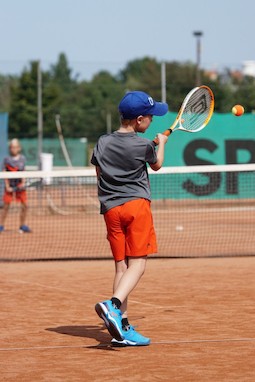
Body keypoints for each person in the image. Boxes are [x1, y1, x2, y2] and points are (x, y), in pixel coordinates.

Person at [91, 91, 168, 346]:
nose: (153, 120)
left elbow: (100, 173)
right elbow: (155, 165)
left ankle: (122, 328)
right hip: (136, 207)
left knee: (121, 267)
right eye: (150, 116)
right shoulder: (144, 145)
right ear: (138, 120)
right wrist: (162, 144)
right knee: (138, 265)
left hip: (111, 210)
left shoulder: (102, 142)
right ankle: (112, 305)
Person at [0, 139, 31, 233]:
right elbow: (4, 173)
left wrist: (23, 183)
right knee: (5, 207)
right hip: (9, 187)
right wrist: (7, 186)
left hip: (20, 187)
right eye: (12, 147)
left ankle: (22, 225)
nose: (13, 149)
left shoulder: (22, 159)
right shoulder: (7, 160)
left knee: (25, 205)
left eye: (15, 147)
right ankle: (0, 225)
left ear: (19, 148)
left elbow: (23, 172)